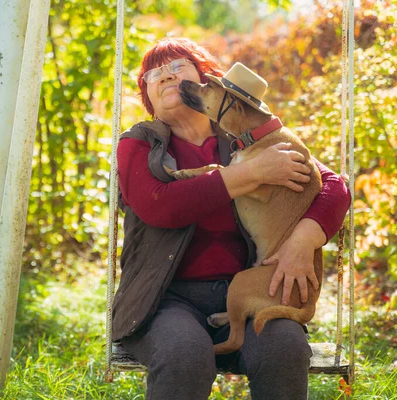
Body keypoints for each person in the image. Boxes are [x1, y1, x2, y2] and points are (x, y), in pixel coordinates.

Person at [112, 37, 350, 400]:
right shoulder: (140, 145)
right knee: (184, 355)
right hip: (165, 299)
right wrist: (250, 174)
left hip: (252, 289)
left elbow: (333, 185)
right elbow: (161, 207)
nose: (165, 76)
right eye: (153, 75)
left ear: (205, 81)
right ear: (148, 97)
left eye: (177, 67)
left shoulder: (247, 139)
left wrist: (304, 238)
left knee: (284, 348)